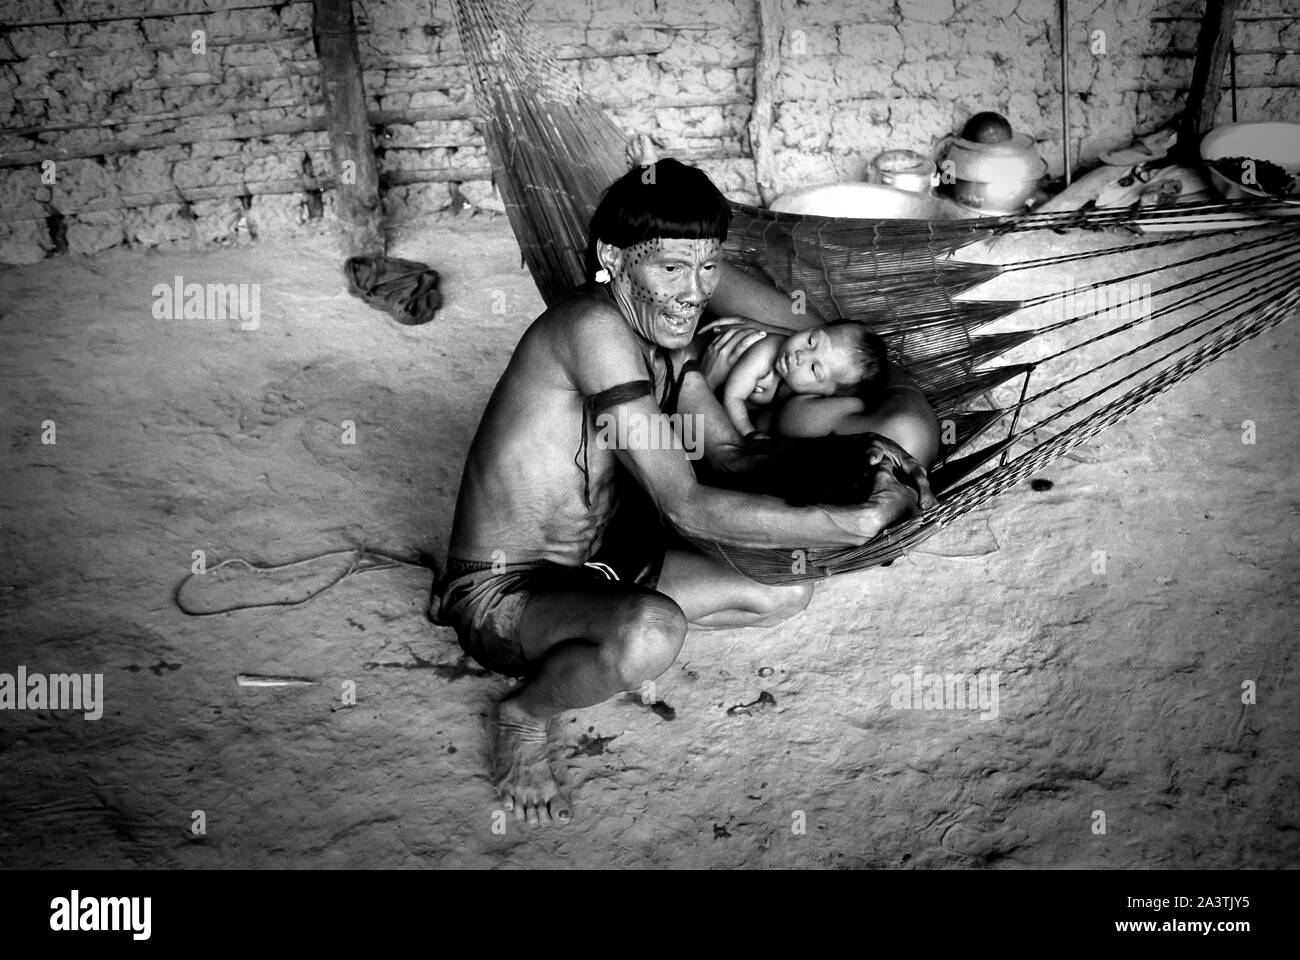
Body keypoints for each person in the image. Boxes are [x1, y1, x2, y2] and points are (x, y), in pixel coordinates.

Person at [431, 159, 938, 826]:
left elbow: (730, 454)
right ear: (613, 258)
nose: (693, 293)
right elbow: (685, 504)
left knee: (785, 590)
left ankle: (599, 643)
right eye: (670, 269)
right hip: (507, 591)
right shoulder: (591, 328)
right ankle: (523, 714)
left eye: (706, 271)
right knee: (653, 633)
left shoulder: (671, 346)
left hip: (609, 555)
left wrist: (872, 461)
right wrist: (850, 524)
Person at [713, 320, 889, 440]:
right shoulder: (767, 350)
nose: (801, 355)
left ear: (826, 393)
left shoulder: (799, 397)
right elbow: (733, 397)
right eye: (811, 341)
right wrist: (748, 433)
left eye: (814, 368)